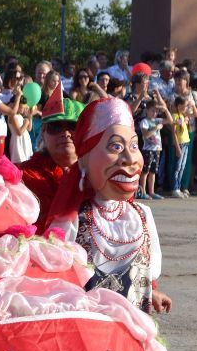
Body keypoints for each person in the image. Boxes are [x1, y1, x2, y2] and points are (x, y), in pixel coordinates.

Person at [47, 98, 172, 314]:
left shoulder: (142, 215)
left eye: (134, 146)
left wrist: (151, 293)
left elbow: (144, 275)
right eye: (116, 147)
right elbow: (54, 279)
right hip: (87, 332)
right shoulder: (72, 218)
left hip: (133, 332)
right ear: (84, 159)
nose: (129, 158)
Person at [18, 85, 83, 219]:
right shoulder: (23, 176)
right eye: (55, 126)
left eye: (72, 126)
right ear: (43, 132)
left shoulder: (97, 175)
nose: (65, 133)